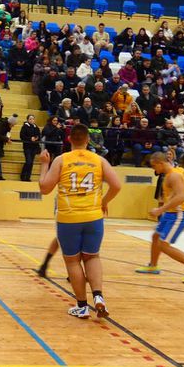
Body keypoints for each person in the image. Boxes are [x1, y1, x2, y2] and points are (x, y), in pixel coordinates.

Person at [38, 123, 123, 319]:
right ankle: (99, 297)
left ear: (69, 139)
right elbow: (117, 185)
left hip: (68, 218)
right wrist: (104, 202)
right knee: (92, 257)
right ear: (87, 140)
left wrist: (43, 164)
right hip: (93, 217)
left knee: (73, 261)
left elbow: (44, 188)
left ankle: (82, 306)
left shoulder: (61, 160)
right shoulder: (99, 160)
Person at [135, 152, 184, 283]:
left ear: (161, 163)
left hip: (179, 214)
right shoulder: (180, 171)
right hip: (171, 213)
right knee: (156, 236)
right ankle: (153, 266)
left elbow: (181, 197)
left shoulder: (173, 176)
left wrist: (159, 210)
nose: (153, 169)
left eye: (154, 166)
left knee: (163, 245)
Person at [19, 114, 42, 181]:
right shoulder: (25, 127)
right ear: (27, 120)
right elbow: (22, 136)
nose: (32, 120)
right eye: (30, 119)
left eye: (33, 119)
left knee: (31, 162)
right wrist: (30, 138)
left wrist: (37, 138)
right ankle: (23, 176)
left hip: (34, 147)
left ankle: (28, 177)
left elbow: (39, 135)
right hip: (27, 147)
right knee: (28, 161)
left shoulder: (36, 127)